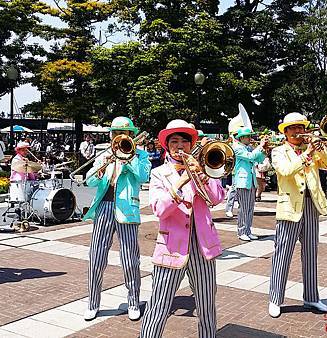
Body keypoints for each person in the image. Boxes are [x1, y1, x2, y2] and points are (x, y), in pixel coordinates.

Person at [140, 120, 225, 338]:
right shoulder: (159, 173)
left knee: (207, 305)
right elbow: (160, 209)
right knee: (158, 304)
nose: (180, 146)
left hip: (203, 247)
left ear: (190, 145)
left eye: (184, 142)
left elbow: (216, 199)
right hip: (171, 247)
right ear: (167, 146)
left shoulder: (203, 169)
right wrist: (181, 182)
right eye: (174, 141)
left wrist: (204, 177)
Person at [82, 117, 151, 321]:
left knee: (130, 259)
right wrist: (103, 164)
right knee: (96, 258)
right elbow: (89, 180)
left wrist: (128, 159)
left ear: (131, 135)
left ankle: (133, 301)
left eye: (124, 133)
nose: (120, 137)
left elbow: (143, 176)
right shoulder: (105, 154)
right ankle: (93, 303)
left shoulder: (141, 155)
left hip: (127, 209)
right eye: (116, 133)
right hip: (103, 206)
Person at [268, 112, 327, 318]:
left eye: (301, 127)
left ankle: (312, 297)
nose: (299, 131)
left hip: (311, 205)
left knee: (310, 254)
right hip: (289, 207)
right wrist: (306, 153)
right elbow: (286, 170)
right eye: (294, 128)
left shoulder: (313, 149)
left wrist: (321, 147)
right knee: (283, 254)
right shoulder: (279, 151)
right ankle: (275, 299)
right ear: (286, 132)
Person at [232, 127, 267, 241]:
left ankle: (248, 230)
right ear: (242, 138)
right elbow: (250, 157)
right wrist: (260, 146)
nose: (250, 138)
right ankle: (241, 231)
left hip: (251, 180)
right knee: (244, 208)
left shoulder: (249, 147)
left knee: (250, 208)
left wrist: (263, 150)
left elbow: (259, 160)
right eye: (248, 136)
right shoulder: (237, 148)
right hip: (242, 181)